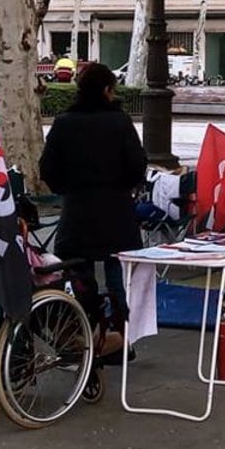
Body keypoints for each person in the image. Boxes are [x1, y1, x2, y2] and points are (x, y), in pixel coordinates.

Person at [37, 62, 144, 357]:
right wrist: (124, 186)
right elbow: (137, 164)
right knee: (116, 277)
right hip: (116, 213)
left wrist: (67, 189)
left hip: (77, 213)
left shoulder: (64, 122)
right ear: (107, 90)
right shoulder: (120, 122)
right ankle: (122, 338)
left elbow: (47, 169)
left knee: (80, 279)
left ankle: (86, 334)